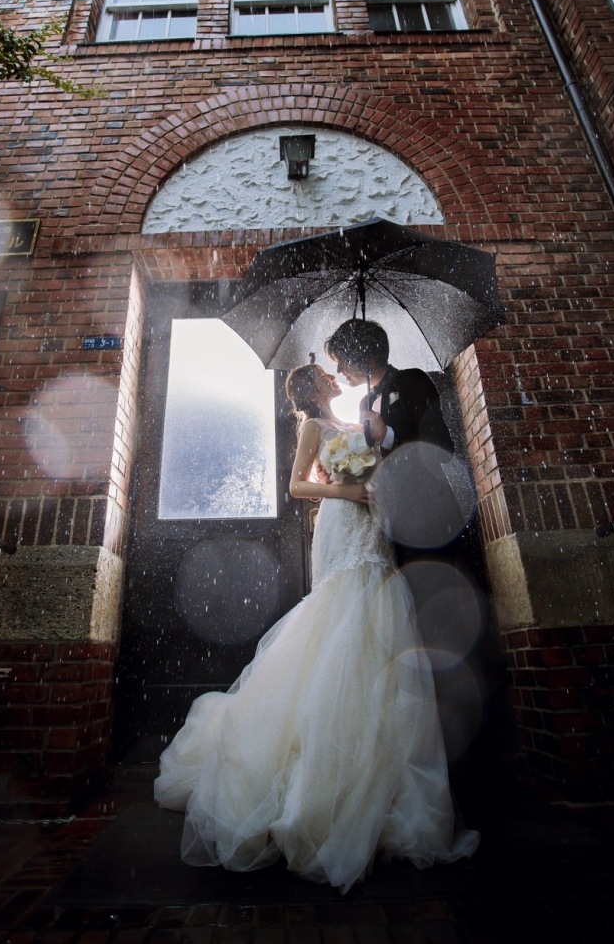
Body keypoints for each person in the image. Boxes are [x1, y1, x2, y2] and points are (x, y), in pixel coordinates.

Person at [154, 363, 479, 893]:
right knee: (343, 612)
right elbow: (297, 484)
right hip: (343, 522)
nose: (335, 376)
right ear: (313, 385)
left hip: (376, 525)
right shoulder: (312, 426)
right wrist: (350, 494)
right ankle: (314, 781)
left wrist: (376, 445)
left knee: (379, 621)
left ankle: (375, 773)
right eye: (326, 373)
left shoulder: (360, 417)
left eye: (336, 370)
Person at [324, 319, 466, 560]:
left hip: (429, 511)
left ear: (366, 358)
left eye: (343, 362)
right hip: (390, 518)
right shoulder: (365, 403)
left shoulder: (413, 381)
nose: (339, 372)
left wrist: (388, 435)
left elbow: (442, 448)